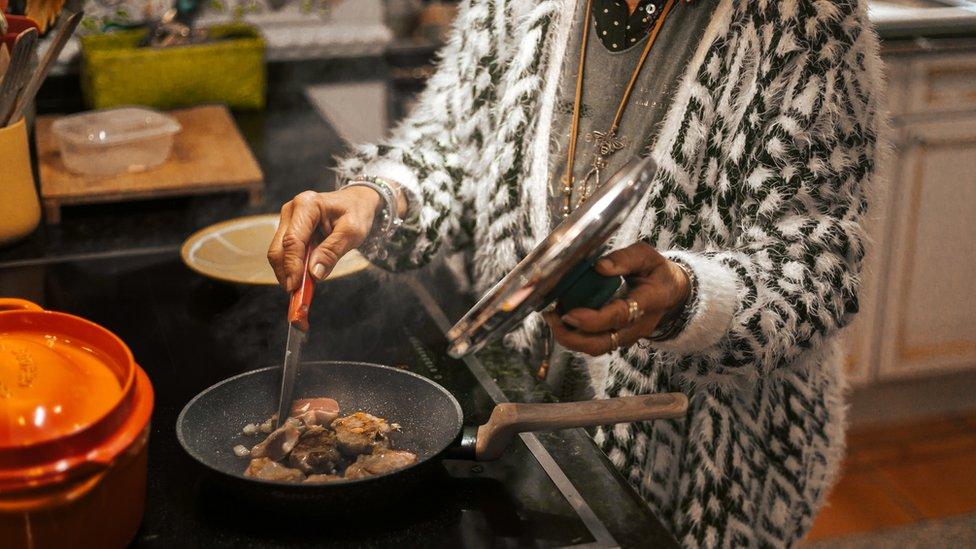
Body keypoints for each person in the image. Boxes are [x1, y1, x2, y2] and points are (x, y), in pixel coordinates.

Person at [268, 0, 884, 546]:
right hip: (522, 413)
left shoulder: (806, 21)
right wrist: (380, 200)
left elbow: (817, 265)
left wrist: (688, 297)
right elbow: (453, 150)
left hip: (701, 465)